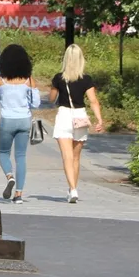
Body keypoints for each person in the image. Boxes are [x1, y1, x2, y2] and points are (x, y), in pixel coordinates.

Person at [0, 43, 41, 204]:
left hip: (7, 120)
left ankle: (10, 177)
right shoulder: (28, 80)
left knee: (3, 153)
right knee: (21, 156)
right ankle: (19, 195)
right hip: (24, 120)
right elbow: (36, 103)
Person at [49, 44, 104, 202]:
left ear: (66, 59)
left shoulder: (59, 78)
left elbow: (51, 99)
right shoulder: (86, 79)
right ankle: (73, 188)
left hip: (64, 115)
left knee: (66, 156)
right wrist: (99, 119)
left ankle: (72, 189)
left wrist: (54, 90)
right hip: (80, 116)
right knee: (76, 157)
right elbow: (93, 101)